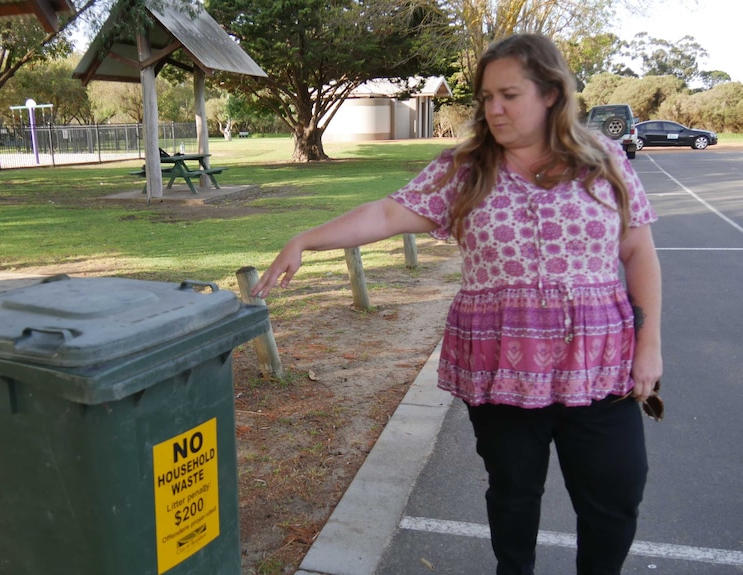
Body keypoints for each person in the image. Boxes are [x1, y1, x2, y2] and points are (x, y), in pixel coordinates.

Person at [251, 33, 662, 575]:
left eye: (508, 95)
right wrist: (305, 238)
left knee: (614, 497)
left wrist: (650, 345)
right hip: (502, 365)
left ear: (550, 95)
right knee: (514, 495)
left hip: (600, 360)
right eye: (486, 96)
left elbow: (636, 249)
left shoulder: (604, 160)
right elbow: (387, 214)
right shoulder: (465, 168)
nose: (493, 108)